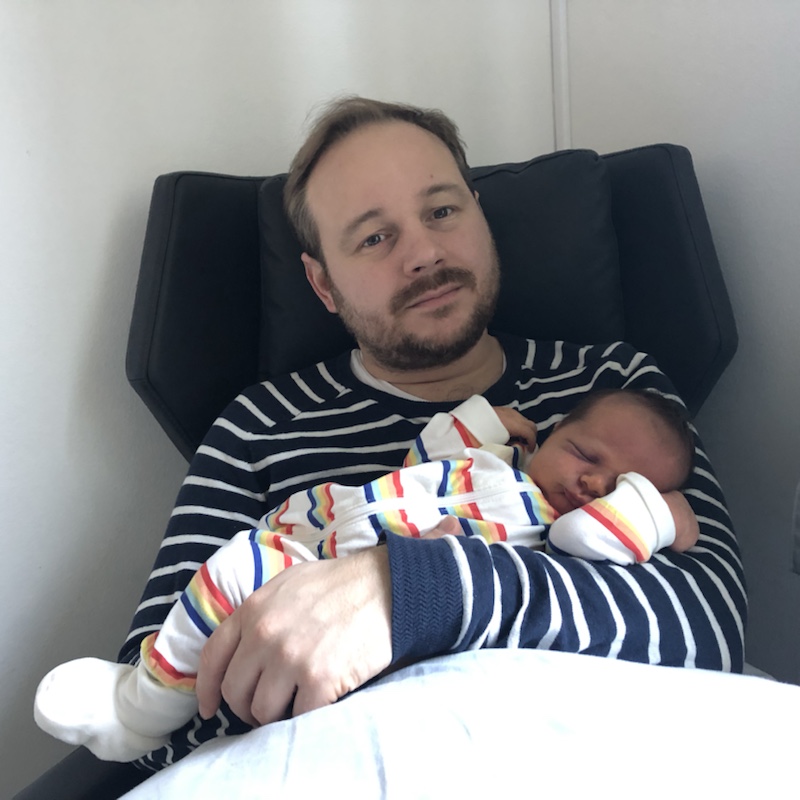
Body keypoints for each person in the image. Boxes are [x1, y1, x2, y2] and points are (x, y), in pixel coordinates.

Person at [110, 97, 744, 772]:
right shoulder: (258, 426)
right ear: (322, 284)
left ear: (479, 214)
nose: (424, 253)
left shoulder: (614, 388)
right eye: (373, 238)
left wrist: (410, 592)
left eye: (442, 211)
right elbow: (149, 712)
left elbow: (708, 627)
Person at [34, 388, 699, 761]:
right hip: (311, 540)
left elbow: (698, 631)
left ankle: (139, 707)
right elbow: (421, 462)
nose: (592, 484)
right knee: (230, 570)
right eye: (583, 454)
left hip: (396, 684)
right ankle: (141, 705)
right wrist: (481, 424)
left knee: (243, 578)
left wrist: (655, 513)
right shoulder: (491, 462)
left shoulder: (559, 527)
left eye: (623, 485)